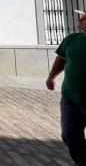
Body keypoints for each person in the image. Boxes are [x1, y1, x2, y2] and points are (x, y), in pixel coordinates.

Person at [46, 9, 86, 165]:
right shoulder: (72, 39)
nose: (79, 22)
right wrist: (51, 76)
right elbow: (61, 59)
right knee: (69, 135)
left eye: (82, 19)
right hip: (71, 98)